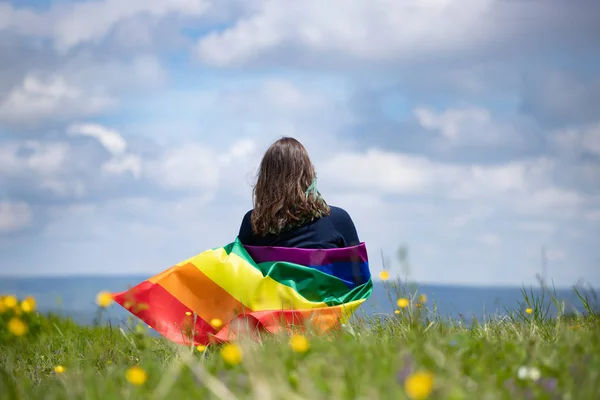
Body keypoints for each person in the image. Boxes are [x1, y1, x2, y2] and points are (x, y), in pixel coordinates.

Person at [238, 137, 361, 249]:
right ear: (309, 175)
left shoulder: (253, 223)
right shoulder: (338, 220)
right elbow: (358, 271)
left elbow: (239, 271)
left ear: (265, 180)